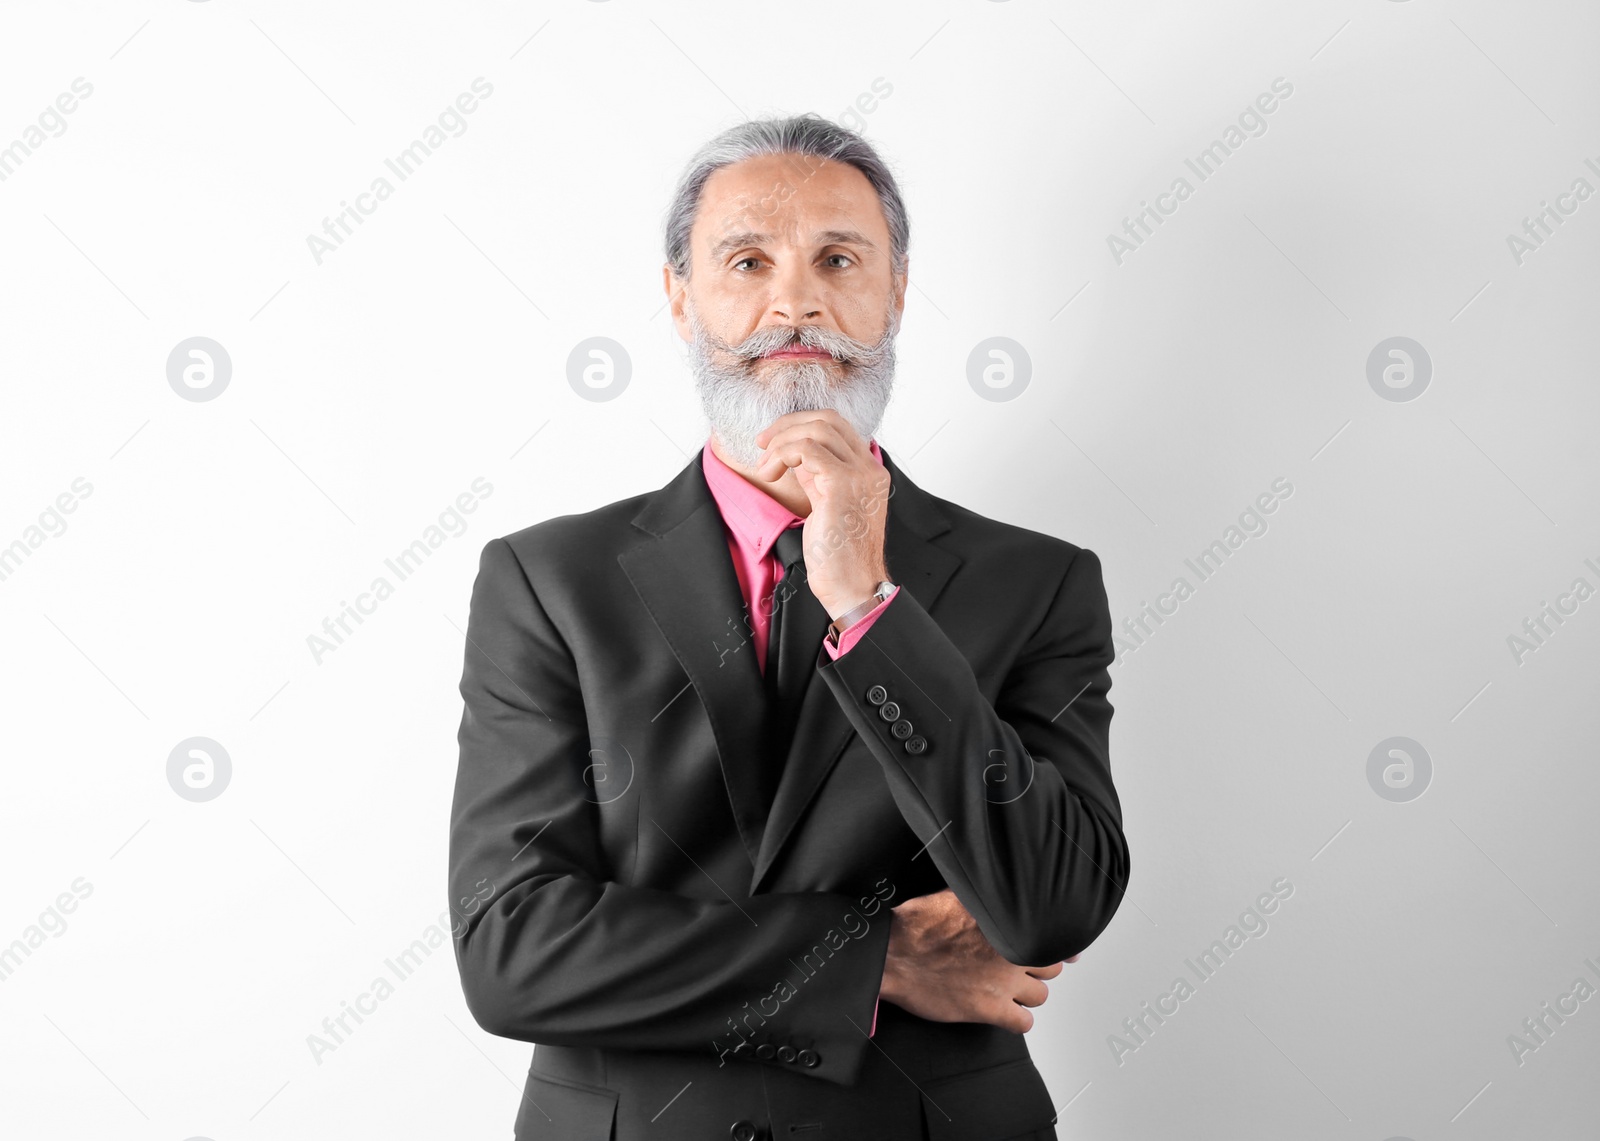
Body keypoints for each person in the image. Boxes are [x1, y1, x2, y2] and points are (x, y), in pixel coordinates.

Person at [448, 113, 1130, 1141]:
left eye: (838, 258)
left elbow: (1048, 905)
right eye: (747, 260)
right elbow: (512, 951)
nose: (795, 301)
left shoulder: (1035, 582)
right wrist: (877, 958)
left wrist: (870, 607)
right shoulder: (548, 581)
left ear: (895, 292)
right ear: (681, 296)